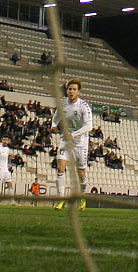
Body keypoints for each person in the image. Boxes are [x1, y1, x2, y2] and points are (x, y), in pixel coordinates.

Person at [51, 79, 92, 211]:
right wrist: (53, 125)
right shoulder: (62, 104)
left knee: (81, 173)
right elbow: (56, 117)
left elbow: (89, 126)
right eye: (70, 89)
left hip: (80, 143)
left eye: (74, 89)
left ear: (78, 92)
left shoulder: (84, 106)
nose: (71, 91)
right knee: (60, 167)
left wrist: (73, 135)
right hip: (66, 140)